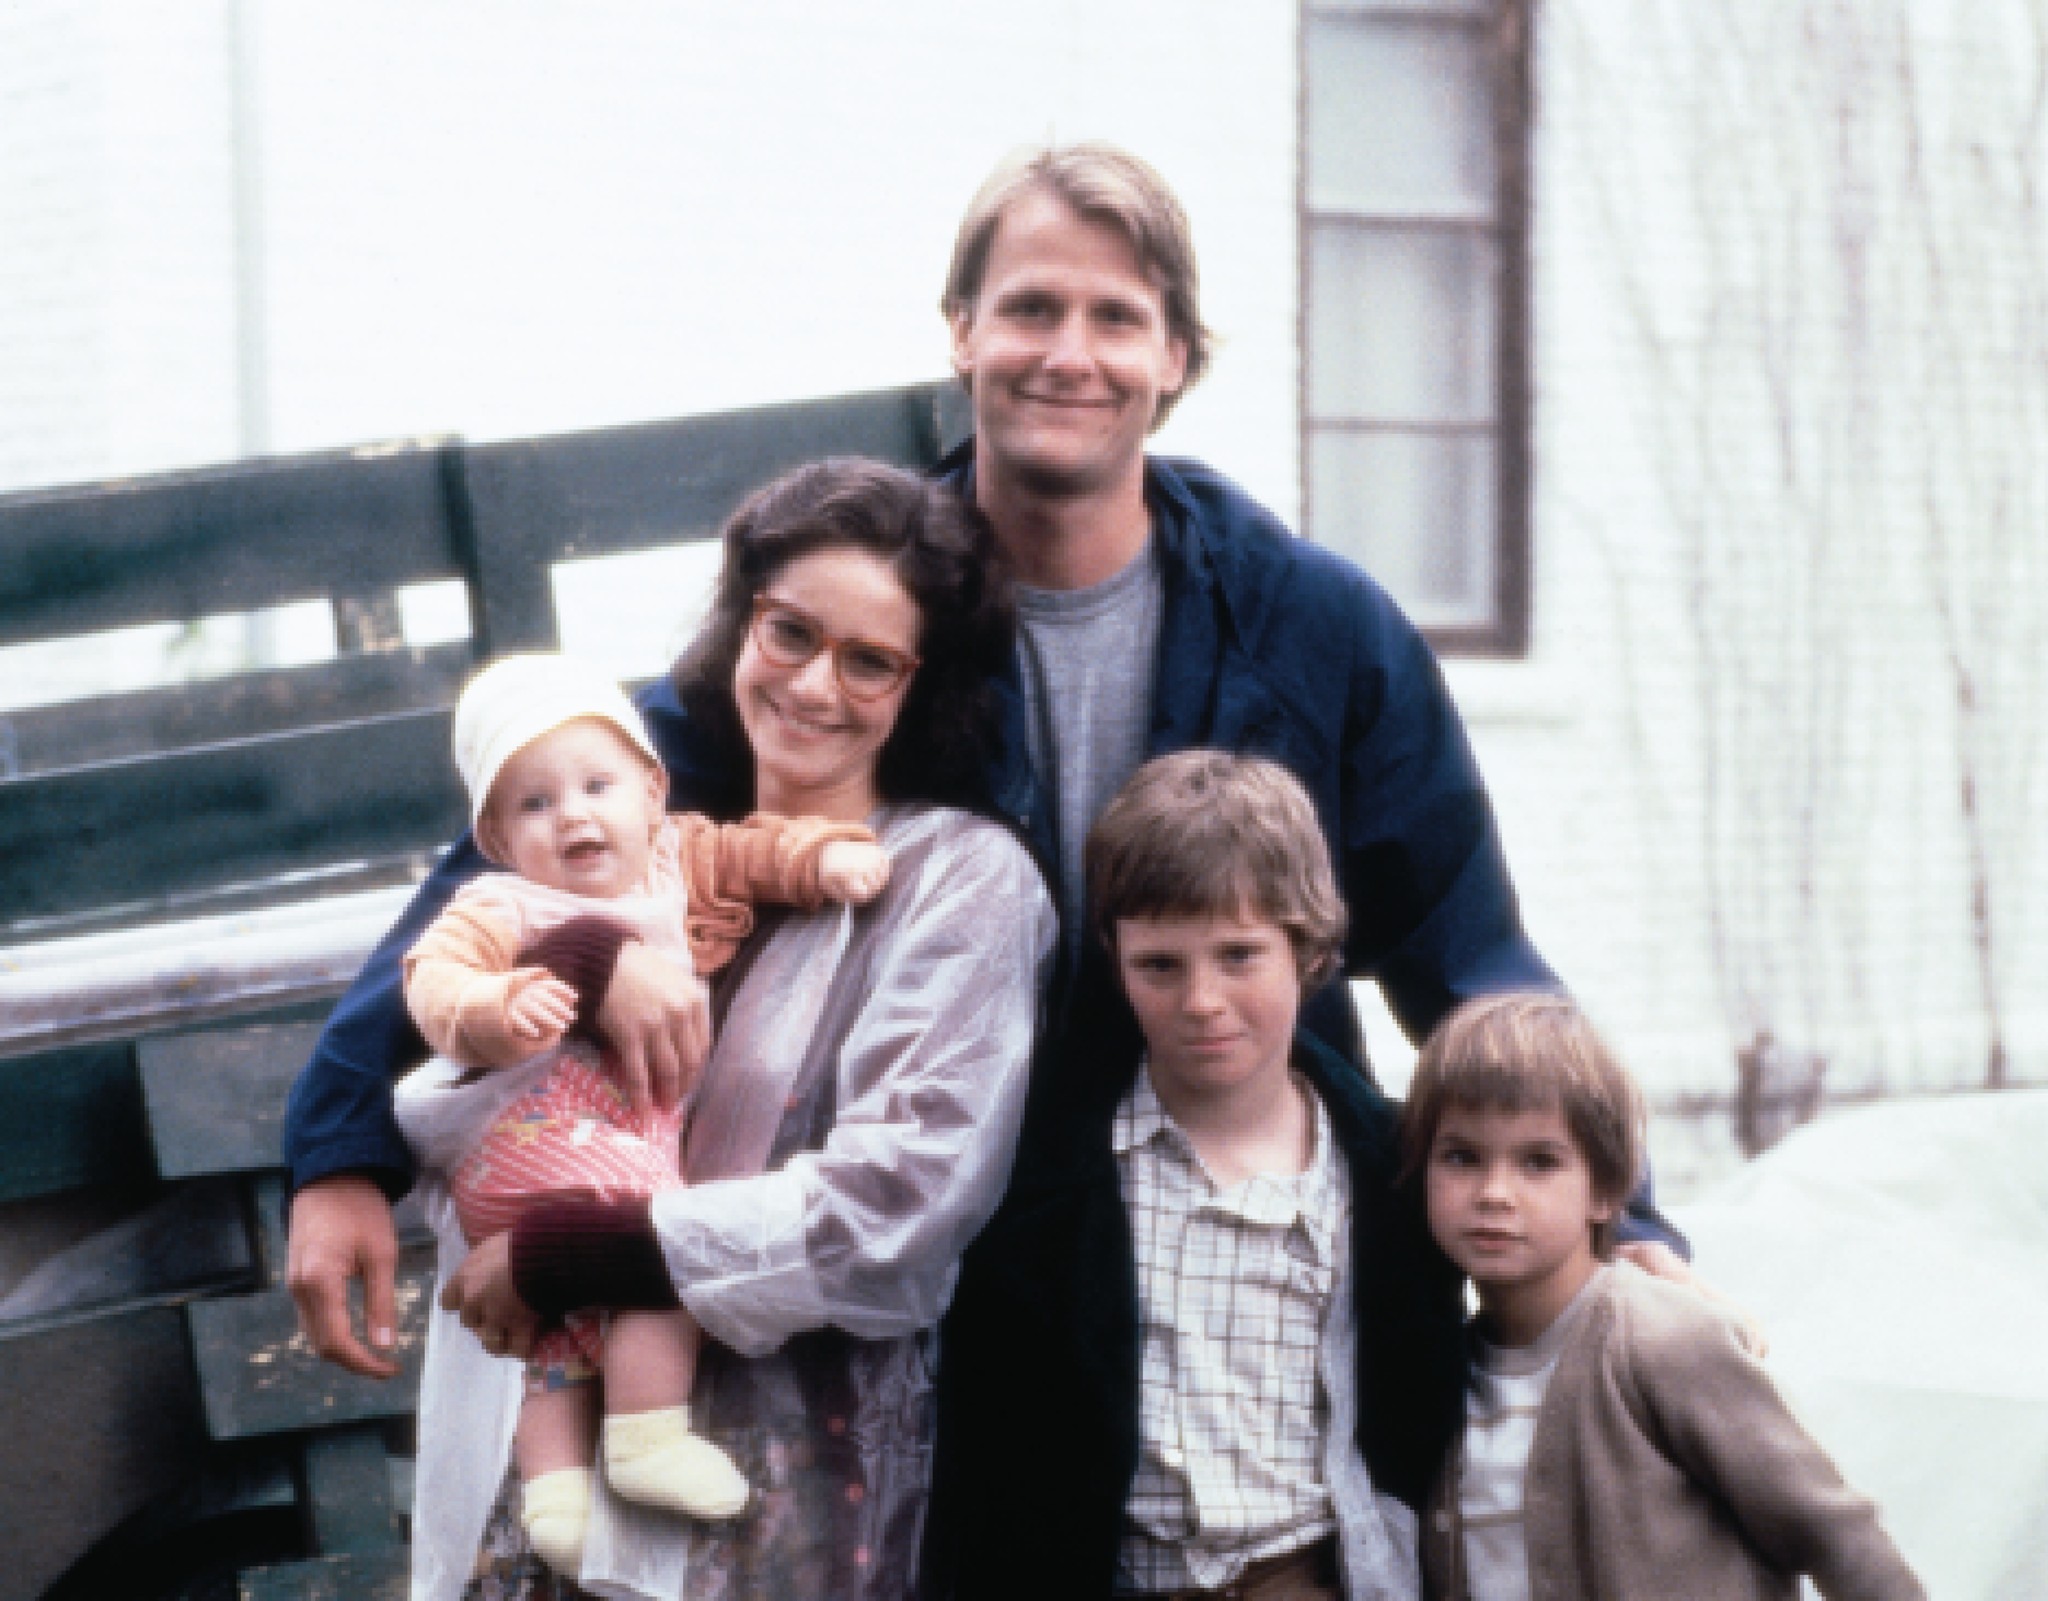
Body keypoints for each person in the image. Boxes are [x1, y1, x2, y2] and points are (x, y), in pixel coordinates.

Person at [283, 139, 1680, 1413]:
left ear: (1178, 356)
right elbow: (549, 831)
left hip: (1250, 1230)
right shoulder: (862, 605)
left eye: (1116, 317)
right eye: (1029, 308)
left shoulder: (1313, 628)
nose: (1067, 353)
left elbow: (1472, 953)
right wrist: (342, 1146)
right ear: (962, 332)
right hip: (961, 1255)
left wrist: (1634, 1221)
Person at [402, 460, 1055, 1599]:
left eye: (869, 660)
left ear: (922, 685)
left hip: (774, 1484)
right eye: (789, 631)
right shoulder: (632, 854)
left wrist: (577, 1253)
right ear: (741, 624)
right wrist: (579, 961)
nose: (813, 685)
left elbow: (900, 1200)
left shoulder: (960, 882)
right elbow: (462, 1103)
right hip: (555, 1451)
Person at [925, 751, 1467, 1600]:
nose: (1202, 999)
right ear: (1116, 958)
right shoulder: (1045, 1176)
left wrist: (1626, 1248)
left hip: (1304, 1576)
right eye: (1161, 965)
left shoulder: (1390, 1170)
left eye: (1240, 956)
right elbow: (995, 1440)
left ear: (1310, 947)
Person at [394, 650, 893, 1569]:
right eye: (535, 804)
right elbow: (434, 981)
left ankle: (554, 1493)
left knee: (558, 1321)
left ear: (652, 790)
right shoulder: (500, 902)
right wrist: (496, 1008)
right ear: (499, 837)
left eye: (596, 784)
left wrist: (822, 855)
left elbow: (759, 851)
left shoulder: (683, 853)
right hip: (538, 1137)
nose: (574, 813)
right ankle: (643, 1433)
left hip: (606, 1137)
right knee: (662, 1247)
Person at [1400, 994, 1926, 1601]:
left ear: (1603, 1192)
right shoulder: (1438, 1374)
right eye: (1462, 1157)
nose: (1494, 1192)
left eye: (1539, 1162)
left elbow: (1837, 1535)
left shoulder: (1663, 1339)